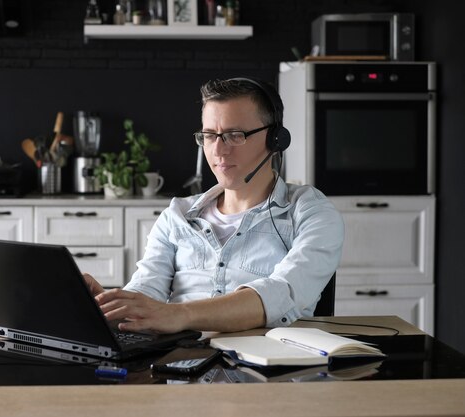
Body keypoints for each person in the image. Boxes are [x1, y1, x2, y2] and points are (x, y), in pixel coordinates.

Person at [84, 77, 344, 334]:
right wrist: (108, 308)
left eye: (234, 135)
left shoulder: (311, 214)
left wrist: (179, 315)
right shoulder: (177, 215)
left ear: (276, 140)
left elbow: (280, 295)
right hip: (179, 365)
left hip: (267, 368)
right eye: (209, 135)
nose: (219, 150)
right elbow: (146, 291)